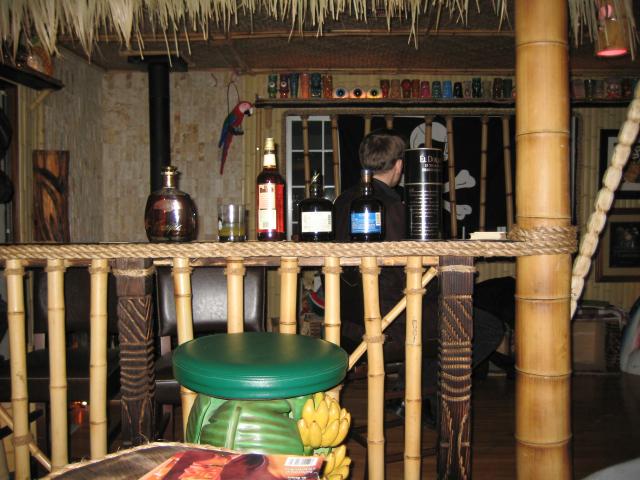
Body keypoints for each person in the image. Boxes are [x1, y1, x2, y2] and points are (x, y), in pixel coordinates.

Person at [333, 128, 505, 424]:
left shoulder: (341, 201)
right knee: (486, 326)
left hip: (350, 318)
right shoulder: (391, 206)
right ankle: (424, 395)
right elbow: (402, 275)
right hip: (391, 318)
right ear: (400, 165)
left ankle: (410, 394)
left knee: (443, 315)